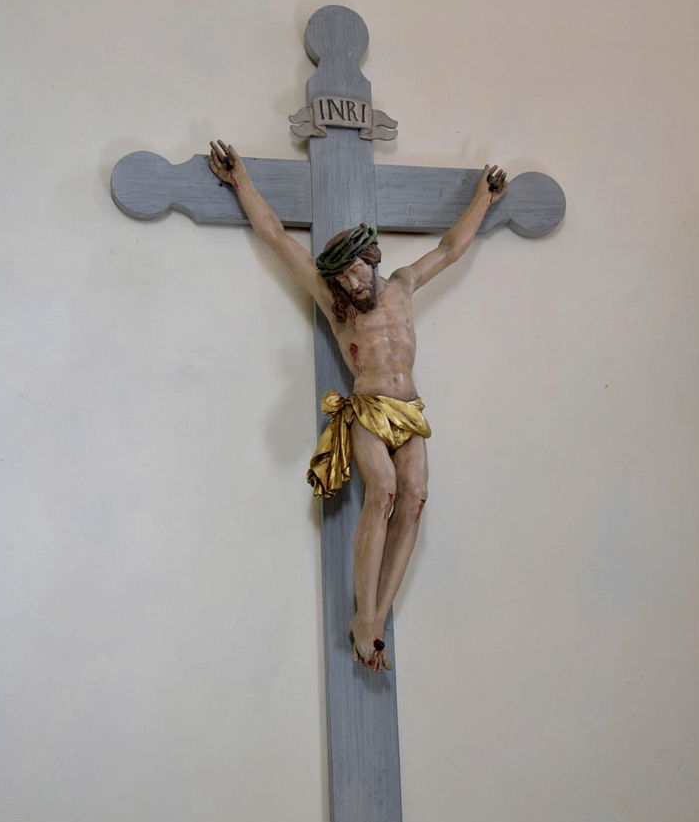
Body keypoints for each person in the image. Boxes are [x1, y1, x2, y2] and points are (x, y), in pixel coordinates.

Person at [208, 140, 507, 672]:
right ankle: (362, 613)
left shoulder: (403, 284)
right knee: (384, 491)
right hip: (368, 410)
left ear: (371, 260)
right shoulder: (337, 305)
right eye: (342, 278)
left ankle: (374, 618)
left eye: (355, 273)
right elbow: (276, 236)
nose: (350, 284)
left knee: (415, 498)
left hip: (409, 411)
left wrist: (483, 199)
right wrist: (241, 181)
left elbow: (449, 249)